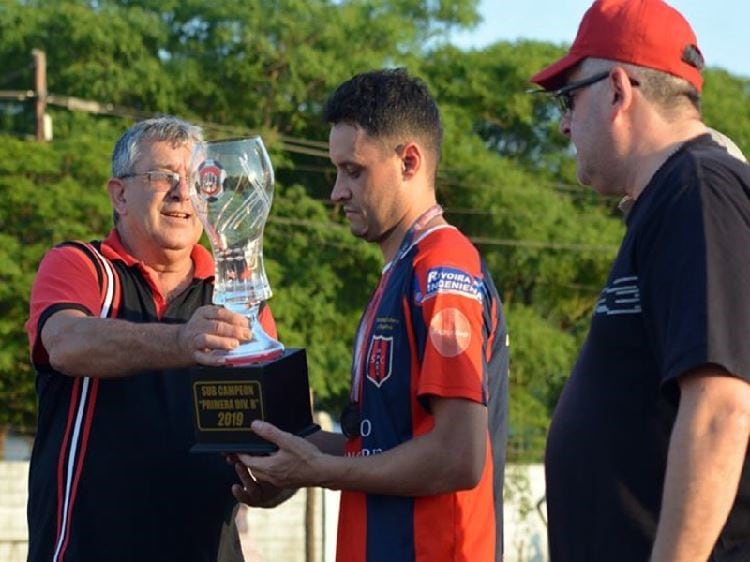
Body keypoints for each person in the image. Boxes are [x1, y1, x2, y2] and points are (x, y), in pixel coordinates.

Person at [233, 68, 509, 561]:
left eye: (353, 171)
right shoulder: (399, 273)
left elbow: (458, 457)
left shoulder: (442, 267)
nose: (338, 191)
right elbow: (380, 449)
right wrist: (294, 456)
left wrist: (322, 471)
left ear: (409, 161)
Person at [529, 0, 750, 560]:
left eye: (568, 98)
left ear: (619, 89)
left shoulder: (699, 188)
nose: (563, 122)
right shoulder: (671, 199)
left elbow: (721, 409)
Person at [25, 116, 277, 562]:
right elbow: (66, 343)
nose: (183, 193)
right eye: (163, 177)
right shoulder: (83, 266)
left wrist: (276, 480)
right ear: (119, 194)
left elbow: (266, 439)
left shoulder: (237, 295)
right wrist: (183, 342)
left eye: (198, 179)